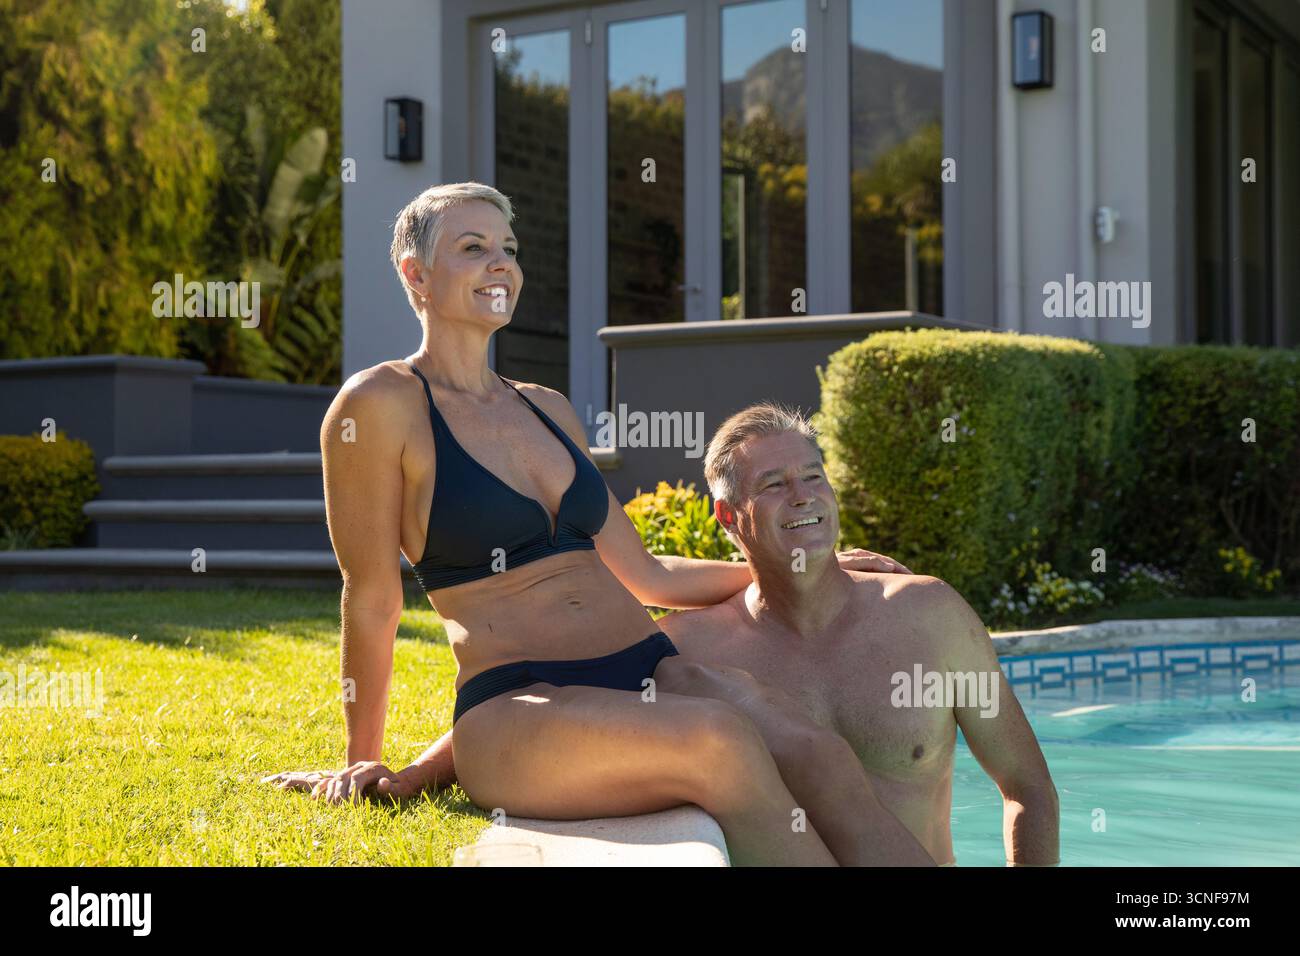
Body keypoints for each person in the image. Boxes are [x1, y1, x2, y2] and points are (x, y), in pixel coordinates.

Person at [263, 182, 933, 866]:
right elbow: (371, 595)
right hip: (520, 705)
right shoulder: (380, 403)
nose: (502, 265)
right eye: (474, 248)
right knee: (719, 741)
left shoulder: (548, 409)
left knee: (817, 753)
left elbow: (646, 574)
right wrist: (366, 761)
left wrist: (816, 566)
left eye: (509, 249)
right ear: (415, 272)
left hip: (649, 671)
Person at [375, 403, 1061, 866]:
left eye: (814, 477)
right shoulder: (692, 651)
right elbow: (557, 695)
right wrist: (416, 773)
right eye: (775, 485)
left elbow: (1027, 785)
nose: (803, 496)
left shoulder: (929, 616)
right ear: (728, 517)